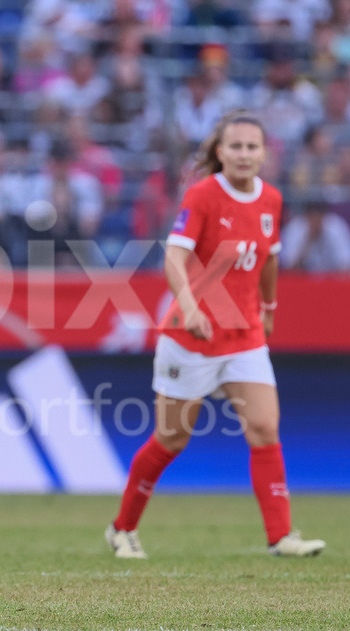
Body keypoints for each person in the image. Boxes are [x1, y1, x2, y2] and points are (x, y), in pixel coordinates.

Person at [105, 111, 326, 559]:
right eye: (236, 146)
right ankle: (122, 528)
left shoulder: (271, 200)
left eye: (252, 147)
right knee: (171, 439)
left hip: (244, 334)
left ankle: (281, 537)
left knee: (264, 427)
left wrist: (269, 310)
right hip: (191, 338)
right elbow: (174, 258)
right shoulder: (204, 195)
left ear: (265, 153)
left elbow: (269, 261)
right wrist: (188, 307)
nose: (245, 154)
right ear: (220, 152)